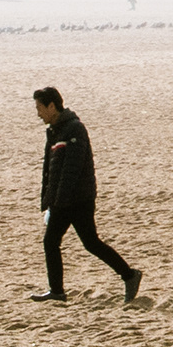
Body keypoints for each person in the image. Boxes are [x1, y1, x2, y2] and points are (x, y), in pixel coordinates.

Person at [29, 86, 142, 303]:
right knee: (53, 242)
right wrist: (48, 201)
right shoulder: (54, 131)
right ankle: (57, 291)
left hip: (78, 200)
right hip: (63, 200)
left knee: (88, 243)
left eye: (40, 108)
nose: (38, 113)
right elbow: (50, 171)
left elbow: (72, 170)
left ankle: (129, 275)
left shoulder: (74, 129)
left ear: (52, 106)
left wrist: (58, 204)